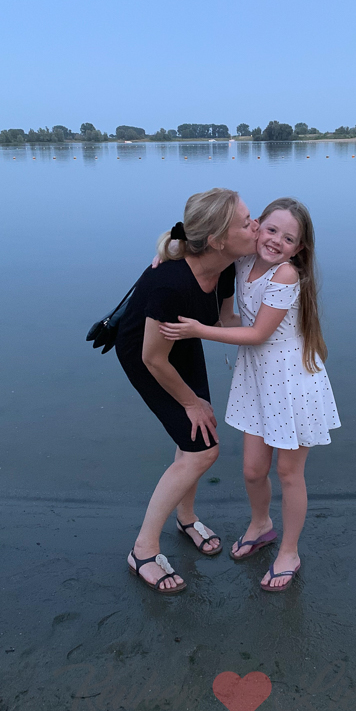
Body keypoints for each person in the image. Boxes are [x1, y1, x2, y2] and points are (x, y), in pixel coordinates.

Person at [160, 197, 340, 592]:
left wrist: (198, 331)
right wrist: (167, 256)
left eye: (288, 238)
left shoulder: (286, 274)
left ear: (299, 248)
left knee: (289, 473)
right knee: (253, 471)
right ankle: (261, 525)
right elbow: (202, 247)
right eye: (271, 230)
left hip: (292, 382)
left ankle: (289, 552)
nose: (276, 241)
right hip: (259, 380)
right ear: (256, 225)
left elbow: (258, 333)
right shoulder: (244, 261)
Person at [115, 188, 258, 594]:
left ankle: (187, 518)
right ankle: (143, 551)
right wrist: (190, 402)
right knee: (203, 449)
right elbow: (153, 358)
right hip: (146, 354)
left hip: (184, 338)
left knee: (193, 439)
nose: (256, 226)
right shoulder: (170, 284)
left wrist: (275, 329)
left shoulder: (227, 264)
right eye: (246, 222)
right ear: (217, 239)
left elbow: (224, 319)